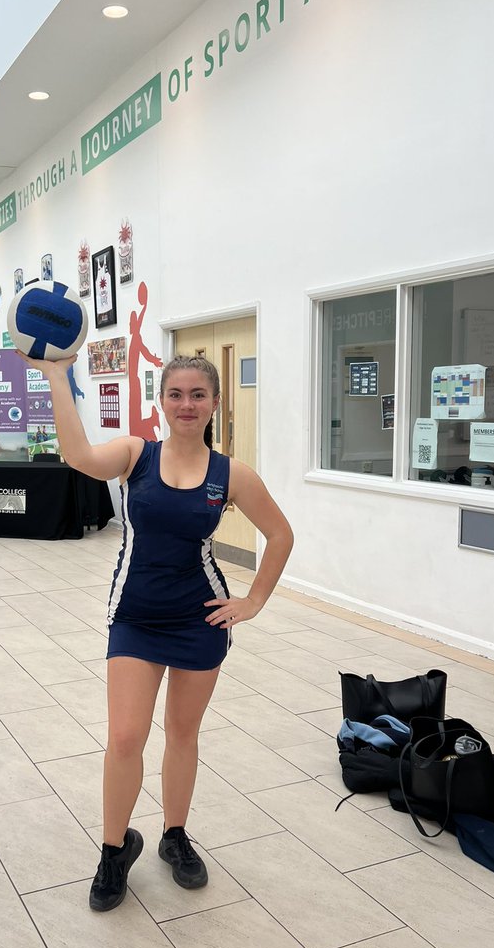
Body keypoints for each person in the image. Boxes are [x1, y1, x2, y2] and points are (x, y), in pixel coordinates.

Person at [23, 351, 294, 912]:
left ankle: (175, 835)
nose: (187, 404)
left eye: (199, 395)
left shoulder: (231, 474)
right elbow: (76, 455)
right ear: (161, 401)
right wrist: (55, 375)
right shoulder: (134, 454)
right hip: (137, 616)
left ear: (215, 403)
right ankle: (114, 849)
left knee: (181, 734)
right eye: (177, 394)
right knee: (125, 736)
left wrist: (253, 601)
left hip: (199, 621)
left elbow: (280, 534)